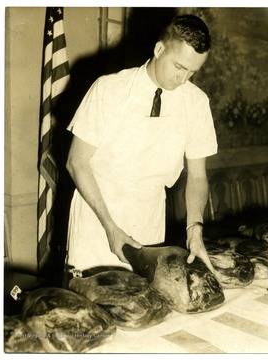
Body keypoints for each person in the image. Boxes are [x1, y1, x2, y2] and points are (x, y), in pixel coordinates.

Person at [64, 14, 218, 279]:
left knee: (144, 310)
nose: (184, 79)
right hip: (97, 220)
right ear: (159, 49)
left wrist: (195, 228)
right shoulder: (108, 89)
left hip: (149, 222)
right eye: (179, 67)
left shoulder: (196, 103)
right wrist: (111, 227)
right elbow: (76, 162)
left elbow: (198, 175)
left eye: (193, 71)